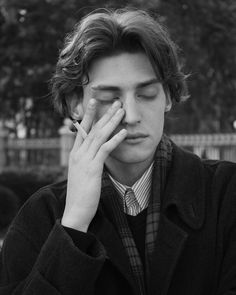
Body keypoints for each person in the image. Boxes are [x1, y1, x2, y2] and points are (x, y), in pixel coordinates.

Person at [0, 8, 236, 295]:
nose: (131, 115)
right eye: (111, 98)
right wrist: (73, 224)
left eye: (146, 94)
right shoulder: (41, 215)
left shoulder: (226, 194)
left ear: (168, 97)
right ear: (76, 103)